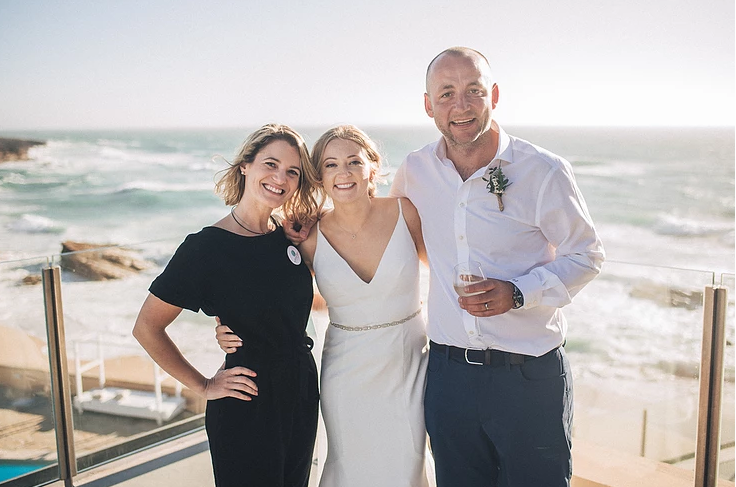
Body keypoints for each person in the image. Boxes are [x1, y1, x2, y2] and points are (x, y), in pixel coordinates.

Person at [387, 47, 606, 487]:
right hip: (448, 377)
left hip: (528, 377)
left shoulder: (543, 170)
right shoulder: (414, 170)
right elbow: (390, 236)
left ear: (495, 96)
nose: (461, 105)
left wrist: (518, 292)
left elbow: (586, 255)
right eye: (446, 94)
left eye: (474, 91)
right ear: (428, 105)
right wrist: (307, 231)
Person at [217, 125, 432, 487]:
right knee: (349, 468)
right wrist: (226, 327)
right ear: (319, 176)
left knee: (408, 464)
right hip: (346, 372)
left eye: (353, 162)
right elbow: (279, 298)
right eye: (330, 165)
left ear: (372, 166)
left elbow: (445, 271)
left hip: (409, 361)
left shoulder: (405, 212)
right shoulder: (308, 237)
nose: (343, 173)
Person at [132, 124, 321, 487]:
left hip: (300, 391)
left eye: (292, 172)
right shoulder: (206, 248)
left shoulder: (289, 237)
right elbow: (147, 327)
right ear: (245, 165)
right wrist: (203, 385)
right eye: (270, 164)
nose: (280, 178)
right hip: (247, 400)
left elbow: (293, 305)